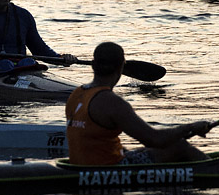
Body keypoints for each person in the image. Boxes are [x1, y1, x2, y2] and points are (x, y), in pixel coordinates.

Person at [66, 42, 211, 165]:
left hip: (82, 163)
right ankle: (215, 169)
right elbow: (155, 139)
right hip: (109, 167)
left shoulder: (77, 93)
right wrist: (190, 127)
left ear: (93, 65)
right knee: (180, 146)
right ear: (121, 67)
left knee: (145, 150)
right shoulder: (112, 102)